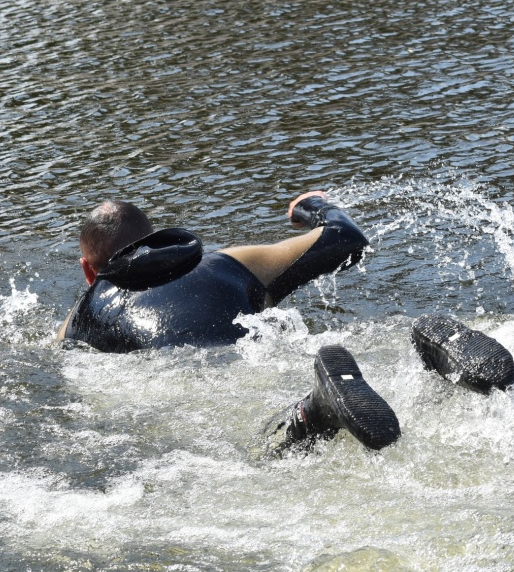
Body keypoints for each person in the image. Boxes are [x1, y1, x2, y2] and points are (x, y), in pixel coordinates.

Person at [59, 192, 401, 454]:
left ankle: (316, 410)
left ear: (88, 270)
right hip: (256, 366)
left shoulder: (80, 318)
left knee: (263, 456)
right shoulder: (230, 264)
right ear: (156, 240)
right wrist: (312, 204)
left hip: (185, 400)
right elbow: (346, 239)